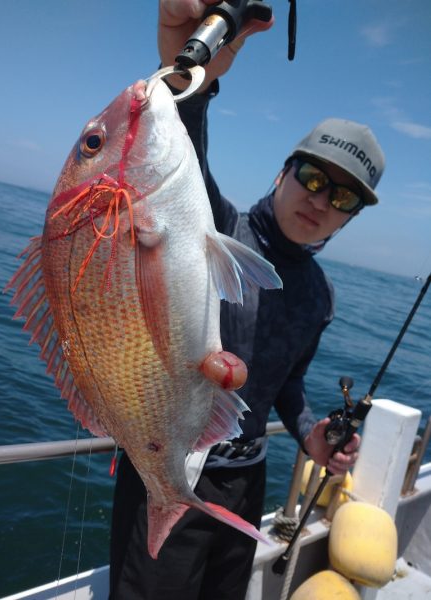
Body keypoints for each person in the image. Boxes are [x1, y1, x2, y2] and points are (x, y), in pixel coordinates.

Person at [109, 1, 386, 598]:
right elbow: (176, 156)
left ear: (349, 218)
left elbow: (286, 383)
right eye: (314, 178)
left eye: (344, 198)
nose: (321, 200)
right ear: (284, 172)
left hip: (246, 483)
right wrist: (190, 72)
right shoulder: (214, 225)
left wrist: (311, 432)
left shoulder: (320, 295)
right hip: (171, 461)